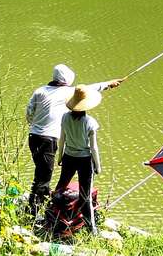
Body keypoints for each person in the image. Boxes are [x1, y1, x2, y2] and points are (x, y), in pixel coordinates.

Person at [25, 64, 123, 215]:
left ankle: (38, 205)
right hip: (48, 140)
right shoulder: (67, 92)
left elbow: (29, 111)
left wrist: (34, 125)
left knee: (41, 172)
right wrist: (108, 84)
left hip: (33, 137)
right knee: (44, 176)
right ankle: (34, 212)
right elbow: (88, 89)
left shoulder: (40, 90)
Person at [55, 84, 104, 234]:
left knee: (60, 188)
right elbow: (93, 147)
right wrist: (98, 165)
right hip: (84, 160)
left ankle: (54, 216)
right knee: (85, 194)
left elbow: (61, 139)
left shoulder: (64, 117)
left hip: (69, 157)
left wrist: (60, 157)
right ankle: (92, 228)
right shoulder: (90, 122)